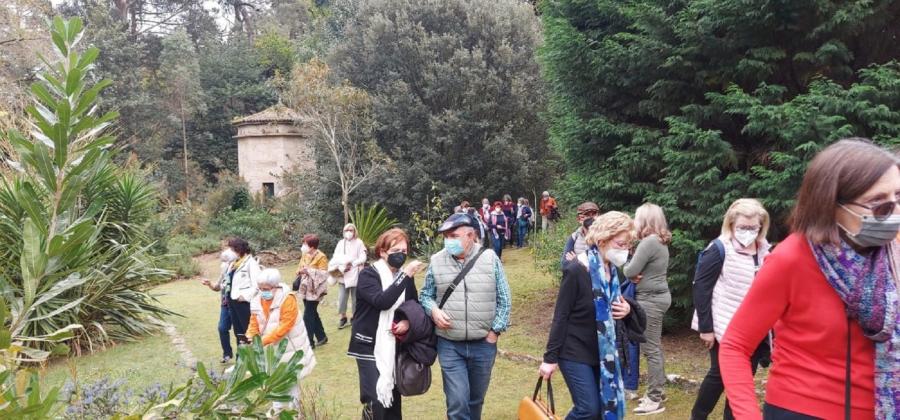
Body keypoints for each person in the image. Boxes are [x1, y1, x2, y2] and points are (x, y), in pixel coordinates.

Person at [720, 139, 900, 419]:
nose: (895, 213)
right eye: (878, 204)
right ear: (832, 203)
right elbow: (735, 346)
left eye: (898, 197)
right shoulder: (792, 258)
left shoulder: (895, 253)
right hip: (803, 409)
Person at [539, 211, 645, 420]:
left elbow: (615, 306)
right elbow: (561, 315)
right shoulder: (577, 270)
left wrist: (627, 311)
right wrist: (549, 359)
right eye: (621, 244)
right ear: (602, 239)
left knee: (602, 411)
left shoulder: (612, 270)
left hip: (602, 353)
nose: (625, 251)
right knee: (588, 410)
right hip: (574, 351)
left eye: (628, 245)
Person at [420, 213, 512, 420]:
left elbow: (504, 297)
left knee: (475, 401)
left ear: (471, 235)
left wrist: (495, 331)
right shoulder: (436, 261)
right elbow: (425, 295)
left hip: (483, 344)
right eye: (446, 236)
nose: (448, 241)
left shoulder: (489, 258)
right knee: (457, 402)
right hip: (450, 344)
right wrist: (433, 310)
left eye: (454, 235)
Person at [690, 198, 772, 420]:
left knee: (743, 380)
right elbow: (701, 289)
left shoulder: (765, 250)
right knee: (719, 375)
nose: (747, 232)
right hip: (723, 327)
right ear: (731, 224)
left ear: (761, 226)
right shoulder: (718, 249)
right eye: (742, 227)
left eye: (753, 227)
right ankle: (698, 416)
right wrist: (706, 328)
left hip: (754, 330)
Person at [347, 228, 425, 419]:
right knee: (375, 399)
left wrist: (407, 321)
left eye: (404, 251)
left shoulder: (403, 277)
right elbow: (382, 302)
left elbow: (413, 304)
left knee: (392, 400)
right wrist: (405, 276)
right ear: (382, 252)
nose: (401, 255)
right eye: (396, 250)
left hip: (393, 344)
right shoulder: (368, 275)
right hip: (368, 345)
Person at [623, 203, 672, 414]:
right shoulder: (659, 241)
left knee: (650, 349)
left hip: (650, 301)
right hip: (658, 298)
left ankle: (654, 399)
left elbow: (629, 270)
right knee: (655, 347)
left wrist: (629, 271)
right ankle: (658, 391)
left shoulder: (648, 243)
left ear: (644, 220)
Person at [246, 268, 317, 412]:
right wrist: (251, 336)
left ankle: (296, 411)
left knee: (291, 381)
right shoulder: (256, 299)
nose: (262, 291)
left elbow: (285, 326)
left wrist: (262, 341)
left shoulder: (287, 299)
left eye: (265, 289)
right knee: (272, 379)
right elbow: (254, 322)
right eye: (260, 288)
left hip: (290, 347)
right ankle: (276, 410)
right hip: (271, 349)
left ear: (275, 286)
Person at [200, 243, 239, 363]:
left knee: (239, 332)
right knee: (222, 328)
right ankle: (227, 354)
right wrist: (209, 284)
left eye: (226, 261)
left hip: (237, 306)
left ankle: (241, 357)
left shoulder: (239, 270)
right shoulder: (224, 271)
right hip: (225, 305)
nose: (224, 263)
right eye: (223, 261)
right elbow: (218, 287)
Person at [221, 237, 260, 347]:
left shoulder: (250, 263)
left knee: (247, 330)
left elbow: (257, 284)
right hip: (232, 301)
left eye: (232, 249)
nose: (229, 252)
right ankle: (241, 357)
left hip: (243, 303)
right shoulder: (233, 263)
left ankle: (253, 355)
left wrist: (245, 296)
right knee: (238, 332)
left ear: (239, 249)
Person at [294, 234, 330, 348]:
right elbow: (298, 269)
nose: (303, 246)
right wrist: (301, 271)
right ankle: (321, 336)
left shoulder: (321, 257)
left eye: (305, 244)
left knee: (308, 314)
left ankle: (309, 342)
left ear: (312, 246)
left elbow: (324, 274)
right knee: (312, 312)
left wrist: (309, 270)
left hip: (316, 290)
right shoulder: (304, 255)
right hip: (305, 288)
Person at [330, 223, 367, 329]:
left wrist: (353, 263)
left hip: (356, 273)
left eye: (351, 230)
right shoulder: (341, 243)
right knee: (342, 298)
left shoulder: (359, 243)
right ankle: (343, 317)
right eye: (347, 230)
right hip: (343, 273)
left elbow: (363, 257)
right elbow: (335, 257)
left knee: (356, 298)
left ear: (355, 231)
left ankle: (355, 317)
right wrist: (342, 266)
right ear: (343, 231)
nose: (349, 232)